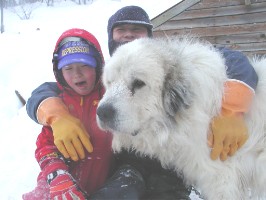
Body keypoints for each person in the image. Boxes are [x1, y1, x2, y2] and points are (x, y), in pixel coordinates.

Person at [26, 6, 258, 199]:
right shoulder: (96, 70)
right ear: (110, 38)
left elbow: (233, 59)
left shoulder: (171, 62)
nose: (127, 35)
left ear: (149, 36)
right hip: (128, 165)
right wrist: (56, 113)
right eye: (121, 30)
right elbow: (51, 88)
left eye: (136, 30)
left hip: (168, 167)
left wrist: (232, 111)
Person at [22, 28, 114, 200]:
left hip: (99, 187)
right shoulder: (59, 104)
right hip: (57, 188)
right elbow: (45, 146)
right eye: (68, 68)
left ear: (98, 66)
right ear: (60, 73)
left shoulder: (109, 99)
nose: (77, 74)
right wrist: (56, 174)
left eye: (84, 65)